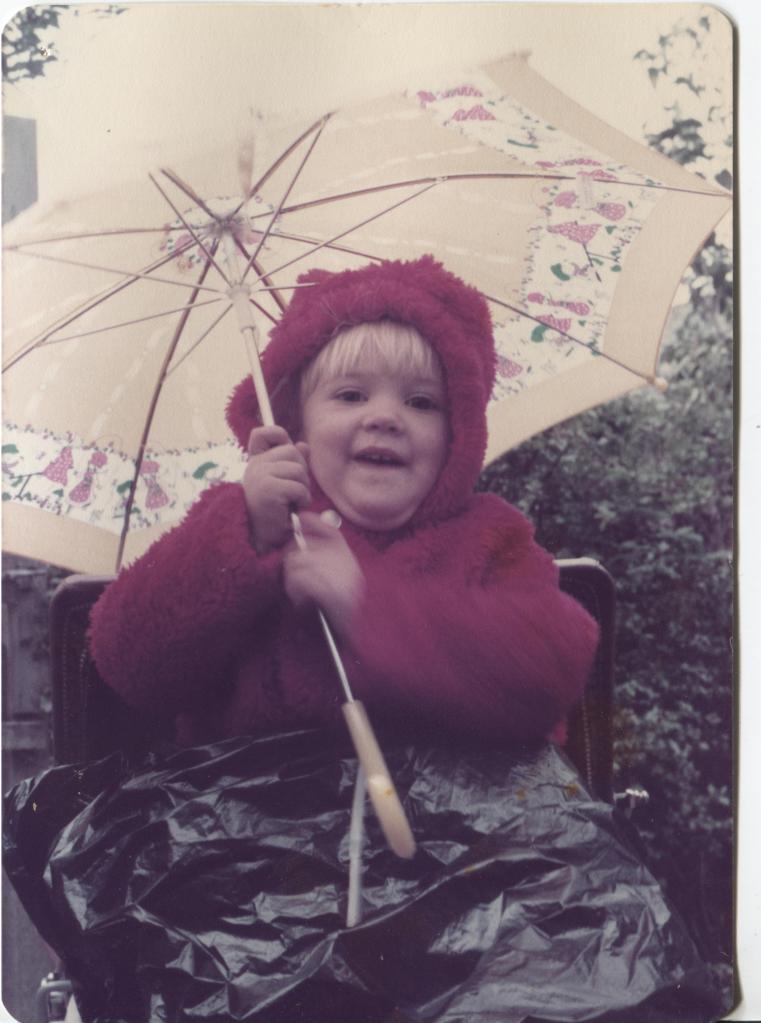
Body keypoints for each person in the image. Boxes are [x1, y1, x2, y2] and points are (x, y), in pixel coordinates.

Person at [5, 257, 722, 1023]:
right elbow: (124, 657)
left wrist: (366, 605)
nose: (385, 416)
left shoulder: (489, 542)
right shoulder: (246, 530)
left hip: (477, 905)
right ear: (293, 423)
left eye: (422, 401)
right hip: (256, 911)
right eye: (350, 395)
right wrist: (238, 534)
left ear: (458, 432)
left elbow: (549, 660)